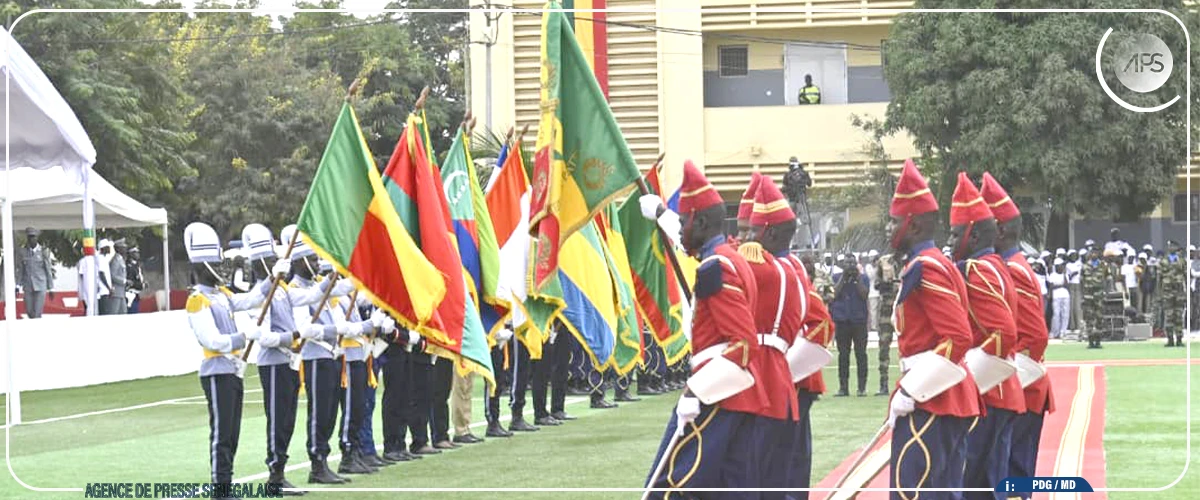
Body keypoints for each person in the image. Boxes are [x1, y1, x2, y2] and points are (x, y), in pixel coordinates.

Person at [640, 161, 767, 497]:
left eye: (685, 221)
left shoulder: (716, 266)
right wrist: (662, 215)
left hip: (714, 396)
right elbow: (689, 246)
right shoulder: (730, 256)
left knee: (670, 484)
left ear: (701, 222)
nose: (682, 229)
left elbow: (743, 344)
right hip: (735, 395)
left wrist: (694, 392)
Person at [884, 160, 981, 496]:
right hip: (939, 394)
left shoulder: (926, 267)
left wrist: (911, 390)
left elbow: (957, 337)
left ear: (912, 225)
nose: (889, 228)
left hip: (932, 398)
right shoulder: (934, 263)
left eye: (894, 221)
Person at [946, 173, 1026, 499]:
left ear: (974, 235)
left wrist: (967, 376)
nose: (951, 242)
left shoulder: (977, 270)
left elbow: (1003, 334)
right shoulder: (996, 264)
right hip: (1000, 390)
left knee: (977, 487)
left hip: (988, 391)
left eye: (955, 234)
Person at [183, 222, 271, 499]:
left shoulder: (223, 295)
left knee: (233, 432)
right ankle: (220, 487)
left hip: (233, 370)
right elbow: (212, 340)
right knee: (222, 432)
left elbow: (251, 300)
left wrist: (270, 278)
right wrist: (244, 337)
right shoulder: (197, 300)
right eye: (214, 264)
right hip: (216, 371)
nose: (220, 268)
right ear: (201, 267)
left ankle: (227, 483)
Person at [980, 173, 1053, 499]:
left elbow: (1035, 336)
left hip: (1022, 387)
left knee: (1011, 477)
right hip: (1016, 386)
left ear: (1000, 230)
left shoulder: (1012, 270)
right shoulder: (1007, 266)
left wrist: (1001, 376)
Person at [240, 223, 326, 495]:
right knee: (278, 421)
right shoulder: (260, 295)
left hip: (288, 363)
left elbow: (310, 295)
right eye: (267, 261)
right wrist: (295, 336)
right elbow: (264, 337)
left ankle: (280, 472)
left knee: (287, 420)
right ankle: (275, 475)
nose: (273, 264)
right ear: (257, 266)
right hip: (274, 364)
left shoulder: (283, 289)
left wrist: (334, 277)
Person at [740, 175, 804, 495]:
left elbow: (713, 259)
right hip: (781, 379)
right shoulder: (792, 270)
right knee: (776, 481)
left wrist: (665, 220)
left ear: (768, 232)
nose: (745, 239)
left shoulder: (762, 269)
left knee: (750, 480)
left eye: (751, 231)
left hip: (759, 381)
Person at [830, 253, 870, 397]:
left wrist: (857, 278)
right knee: (843, 355)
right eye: (847, 263)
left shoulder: (863, 278)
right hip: (842, 321)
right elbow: (834, 294)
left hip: (859, 321)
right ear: (843, 265)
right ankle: (843, 387)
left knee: (861, 354)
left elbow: (864, 294)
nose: (850, 266)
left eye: (852, 263)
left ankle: (862, 387)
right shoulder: (836, 278)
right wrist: (844, 277)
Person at [874, 252, 900, 395]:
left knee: (911, 346)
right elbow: (877, 284)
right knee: (884, 346)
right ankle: (883, 384)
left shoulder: (914, 260)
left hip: (905, 309)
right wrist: (887, 284)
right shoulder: (883, 261)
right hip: (887, 309)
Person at [15, 227, 53, 319]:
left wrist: (51, 288)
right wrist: (17, 286)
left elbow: (48, 270)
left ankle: (37, 327)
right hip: (28, 286)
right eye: (29, 237)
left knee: (37, 312)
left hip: (40, 286)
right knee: (29, 311)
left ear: (37, 238)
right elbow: (21, 270)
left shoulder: (43, 251)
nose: (31, 239)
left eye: (33, 236)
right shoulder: (23, 252)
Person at [1159, 242, 1187, 347]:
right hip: (1167, 292)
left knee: (1179, 315)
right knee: (1169, 315)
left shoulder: (1182, 260)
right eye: (1170, 246)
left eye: (1174, 246)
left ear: (1176, 247)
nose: (1172, 248)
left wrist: (1186, 292)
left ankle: (1179, 339)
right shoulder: (1163, 261)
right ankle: (1170, 339)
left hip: (1179, 292)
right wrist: (1159, 293)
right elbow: (1159, 277)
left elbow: (1186, 275)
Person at [102, 239, 128, 315]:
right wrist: (124, 281)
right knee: (113, 313)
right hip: (116, 292)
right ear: (118, 249)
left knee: (123, 313)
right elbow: (112, 275)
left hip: (121, 292)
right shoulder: (115, 260)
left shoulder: (121, 259)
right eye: (123, 247)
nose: (125, 249)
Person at [1047, 259, 1070, 339]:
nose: (1062, 267)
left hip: (1065, 296)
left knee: (1065, 314)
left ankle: (1063, 331)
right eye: (1060, 265)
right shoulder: (1052, 275)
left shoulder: (1065, 274)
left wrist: (1064, 274)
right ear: (1057, 266)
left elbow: (1066, 285)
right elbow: (1052, 286)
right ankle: (1054, 332)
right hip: (1056, 296)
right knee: (1056, 314)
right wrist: (1061, 285)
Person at [1065, 249, 1083, 332]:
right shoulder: (1067, 265)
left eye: (1075, 255)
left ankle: (1078, 326)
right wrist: (1072, 274)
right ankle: (1071, 326)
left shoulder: (1079, 264)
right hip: (1071, 285)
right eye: (1072, 255)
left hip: (1078, 284)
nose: (1074, 257)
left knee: (1077, 307)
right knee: (1071, 306)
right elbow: (1067, 277)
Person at [125, 247, 146, 314]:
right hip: (130, 294)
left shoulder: (136, 265)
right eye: (135, 253)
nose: (138, 254)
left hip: (136, 294)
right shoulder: (129, 266)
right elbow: (130, 281)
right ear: (131, 254)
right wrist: (141, 285)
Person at [865, 249, 880, 333]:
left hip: (880, 291)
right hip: (872, 291)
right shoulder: (868, 267)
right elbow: (871, 276)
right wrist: (875, 266)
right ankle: (874, 326)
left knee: (880, 310)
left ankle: (880, 325)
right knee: (873, 310)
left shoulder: (880, 265)